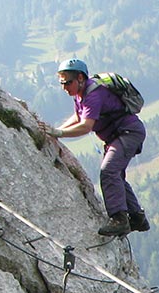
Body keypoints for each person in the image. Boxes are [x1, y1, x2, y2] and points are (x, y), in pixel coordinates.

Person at [46, 58, 150, 237]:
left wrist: (58, 133)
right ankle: (137, 217)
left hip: (128, 133)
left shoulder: (94, 94)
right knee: (115, 174)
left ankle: (119, 219)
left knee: (109, 171)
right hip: (120, 135)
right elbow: (78, 117)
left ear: (80, 78)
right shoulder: (81, 94)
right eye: (61, 83)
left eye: (67, 82)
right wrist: (56, 131)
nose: (64, 87)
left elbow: (86, 126)